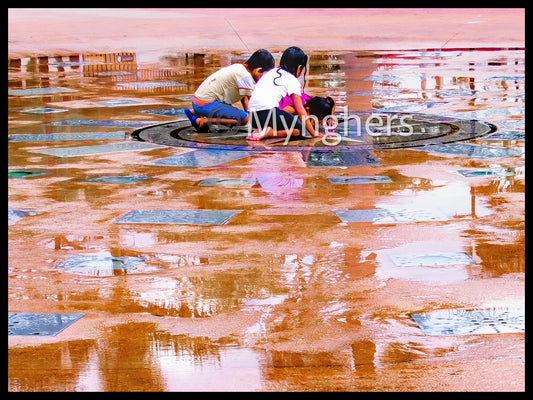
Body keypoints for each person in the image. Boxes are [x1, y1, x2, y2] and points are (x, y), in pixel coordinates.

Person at [185, 49, 275, 132]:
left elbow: (244, 98)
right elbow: (252, 103)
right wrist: (254, 122)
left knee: (242, 117)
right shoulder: (245, 77)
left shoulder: (240, 68)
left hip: (198, 102)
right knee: (244, 120)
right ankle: (200, 121)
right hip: (205, 104)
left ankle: (194, 112)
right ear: (258, 70)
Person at [246, 46, 323, 141]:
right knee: (300, 130)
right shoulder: (292, 80)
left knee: (285, 119)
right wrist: (314, 134)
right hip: (268, 113)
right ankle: (270, 133)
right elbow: (300, 110)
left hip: (252, 117)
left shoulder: (270, 72)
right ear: (299, 68)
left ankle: (261, 129)